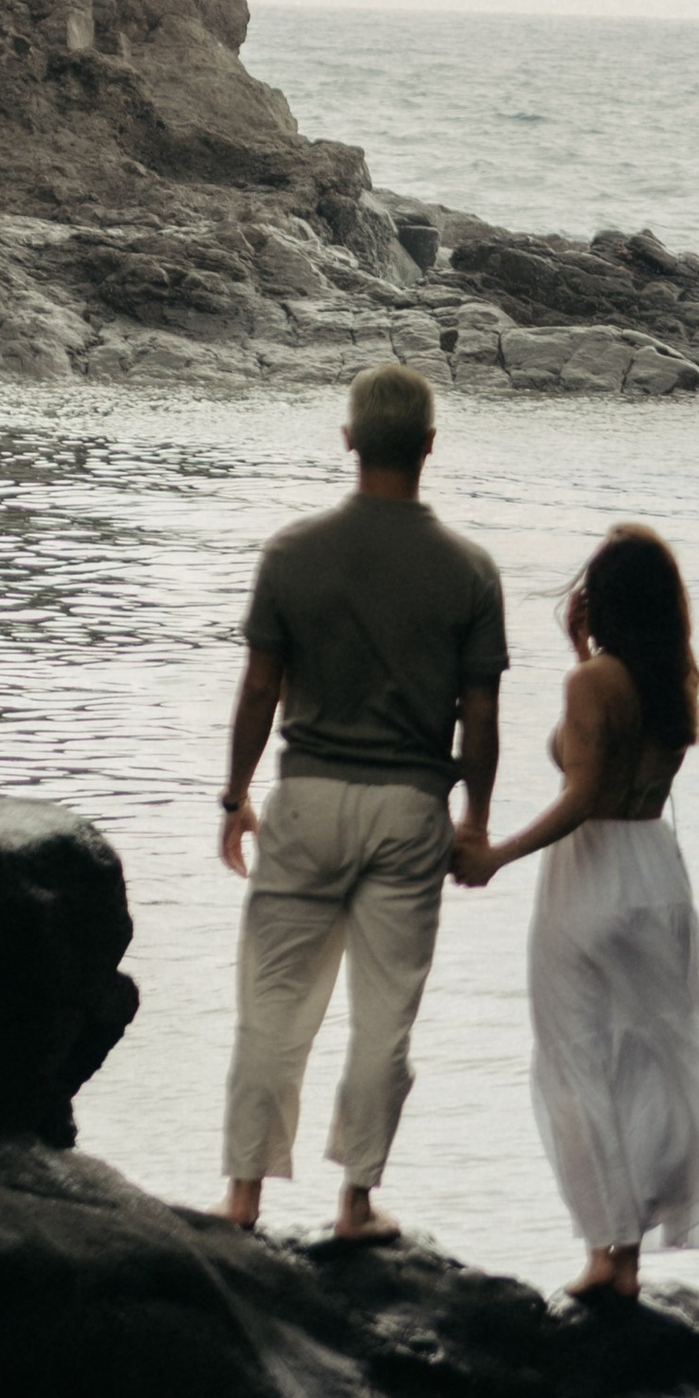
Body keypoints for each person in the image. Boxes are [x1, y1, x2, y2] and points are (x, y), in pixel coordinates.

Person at [452, 522, 699, 1296]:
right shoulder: (674, 683)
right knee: (648, 1057)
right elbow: (616, 758)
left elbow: (582, 794)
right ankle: (627, 1254)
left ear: (603, 600)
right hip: (657, 877)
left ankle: (608, 1254)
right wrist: (582, 655)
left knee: (577, 1058)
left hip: (592, 876)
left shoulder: (594, 685)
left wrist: (496, 854)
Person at [215, 361, 506, 1244]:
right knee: (385, 1015)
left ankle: (243, 1198)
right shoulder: (470, 570)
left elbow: (259, 688)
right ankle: (354, 1205)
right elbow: (480, 716)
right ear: (429, 446)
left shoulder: (291, 553)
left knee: (274, 1002)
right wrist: (476, 821)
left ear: (349, 440)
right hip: (410, 807)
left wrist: (235, 796)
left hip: (306, 797)